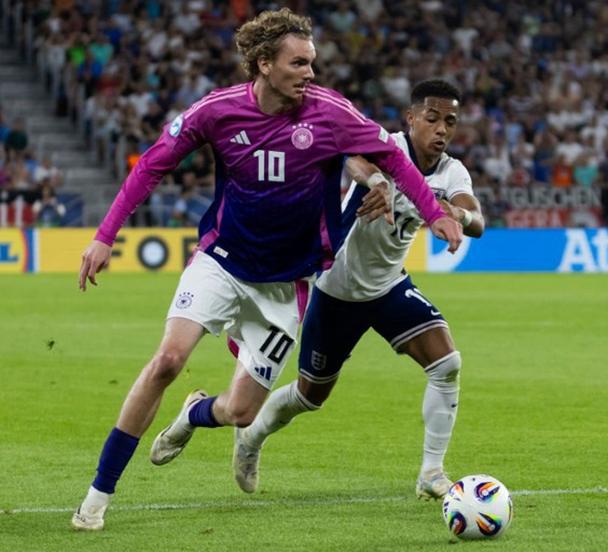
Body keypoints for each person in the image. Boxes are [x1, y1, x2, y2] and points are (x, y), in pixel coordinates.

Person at [72, 9, 462, 531]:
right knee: (166, 359)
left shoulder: (330, 112)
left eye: (312, 62)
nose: (310, 73)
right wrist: (105, 235)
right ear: (263, 64)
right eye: (299, 63)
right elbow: (152, 165)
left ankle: (193, 414)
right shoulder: (217, 111)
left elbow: (390, 160)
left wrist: (434, 213)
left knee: (239, 413)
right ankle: (97, 497)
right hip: (223, 262)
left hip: (286, 288)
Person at [226, 79, 484, 500]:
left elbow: (478, 220)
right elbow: (352, 161)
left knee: (447, 363)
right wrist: (379, 181)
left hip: (388, 288)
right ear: (412, 118)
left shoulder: (452, 171)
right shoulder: (386, 145)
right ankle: (251, 437)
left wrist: (455, 212)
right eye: (432, 119)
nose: (441, 130)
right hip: (336, 290)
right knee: (310, 396)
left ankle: (431, 473)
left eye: (450, 122)